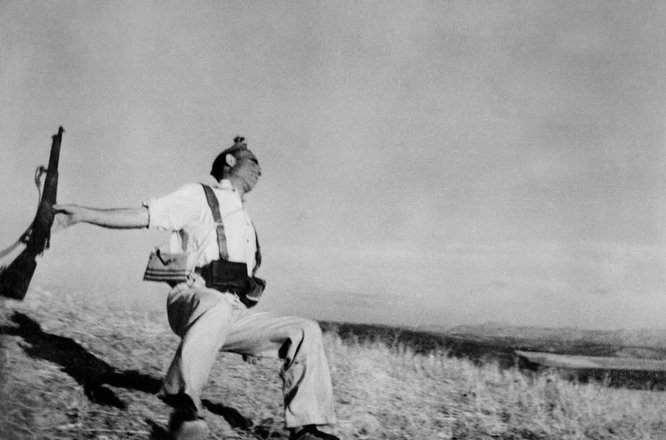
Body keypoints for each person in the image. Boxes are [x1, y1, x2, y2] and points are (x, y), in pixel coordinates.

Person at [54, 137, 340, 440]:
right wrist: (83, 214)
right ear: (231, 162)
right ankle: (184, 406)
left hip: (230, 311)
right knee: (215, 307)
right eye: (254, 162)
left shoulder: (246, 223)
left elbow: (242, 286)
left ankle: (311, 429)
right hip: (191, 298)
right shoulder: (199, 195)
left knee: (305, 330)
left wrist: (254, 339)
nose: (260, 170)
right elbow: (144, 216)